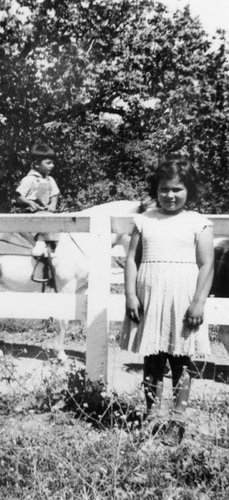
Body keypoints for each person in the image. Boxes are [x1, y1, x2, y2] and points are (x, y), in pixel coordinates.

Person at [120, 158, 214, 445]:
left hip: (183, 298)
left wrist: (198, 302)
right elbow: (132, 262)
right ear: (156, 189)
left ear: (189, 191)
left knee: (181, 360)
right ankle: (152, 416)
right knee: (152, 358)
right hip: (149, 298)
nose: (170, 196)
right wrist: (131, 295)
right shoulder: (145, 219)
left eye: (177, 189)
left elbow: (207, 265)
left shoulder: (198, 222)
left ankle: (177, 420)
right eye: (164, 189)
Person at [15, 142, 60, 257]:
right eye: (48, 163)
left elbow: (55, 194)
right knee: (43, 219)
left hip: (45, 211)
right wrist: (29, 202)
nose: (52, 166)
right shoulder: (30, 179)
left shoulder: (50, 179)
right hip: (29, 211)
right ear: (36, 164)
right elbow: (19, 196)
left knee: (56, 219)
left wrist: (53, 204)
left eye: (53, 163)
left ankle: (51, 246)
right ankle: (40, 243)